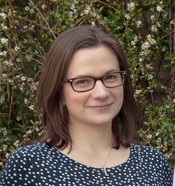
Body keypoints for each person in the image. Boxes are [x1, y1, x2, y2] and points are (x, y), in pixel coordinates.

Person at [0, 25, 173, 185]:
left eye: (110, 77)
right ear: (58, 92)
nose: (102, 93)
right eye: (83, 81)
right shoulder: (29, 166)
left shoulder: (153, 164)